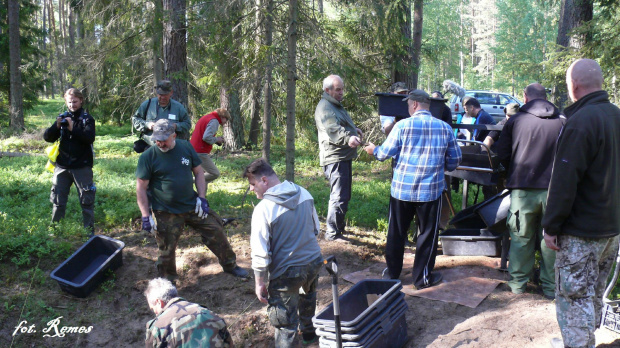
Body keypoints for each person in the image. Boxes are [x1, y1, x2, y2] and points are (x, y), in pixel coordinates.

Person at [542, 59, 620, 348]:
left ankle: (578, 343)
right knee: (592, 294)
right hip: (611, 230)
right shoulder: (616, 116)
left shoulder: (580, 122)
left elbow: (564, 181)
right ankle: (582, 340)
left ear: (574, 86)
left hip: (581, 234)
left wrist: (551, 226)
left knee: (575, 300)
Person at [364, 89, 462, 289]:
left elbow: (384, 154)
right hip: (431, 192)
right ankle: (422, 278)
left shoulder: (402, 126)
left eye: (408, 105)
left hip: (402, 191)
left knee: (396, 233)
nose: (408, 108)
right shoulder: (444, 128)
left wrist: (373, 150)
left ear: (415, 104)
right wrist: (442, 166)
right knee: (427, 235)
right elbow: (455, 160)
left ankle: (392, 274)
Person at [136, 119, 248, 281]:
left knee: (215, 229)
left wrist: (201, 199)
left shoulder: (185, 147)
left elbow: (199, 173)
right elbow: (141, 188)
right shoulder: (148, 157)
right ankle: (169, 281)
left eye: (164, 140)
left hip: (192, 204)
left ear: (173, 136)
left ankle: (230, 265)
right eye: (157, 140)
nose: (160, 143)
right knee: (167, 248)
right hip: (166, 211)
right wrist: (146, 216)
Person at [495, 83, 565, 300]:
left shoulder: (515, 121)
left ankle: (518, 284)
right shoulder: (562, 122)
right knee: (551, 239)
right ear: (546, 98)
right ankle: (551, 286)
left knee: (520, 237)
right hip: (554, 192)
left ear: (525, 98)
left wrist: (510, 173)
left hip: (522, 190)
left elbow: (502, 154)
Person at [244, 158, 323, 347]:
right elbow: (316, 229)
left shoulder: (263, 209)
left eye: (253, 184)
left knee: (284, 322)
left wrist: (260, 283)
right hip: (313, 262)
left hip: (287, 274)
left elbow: (260, 253)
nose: (252, 189)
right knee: (308, 298)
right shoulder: (304, 193)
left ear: (264, 180)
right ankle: (309, 336)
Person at [314, 74, 363, 241]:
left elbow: (341, 124)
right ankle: (333, 234)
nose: (342, 92)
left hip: (342, 156)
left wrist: (353, 131)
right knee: (339, 196)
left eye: (342, 89)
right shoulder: (325, 107)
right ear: (327, 90)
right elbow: (333, 130)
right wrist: (349, 138)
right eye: (338, 89)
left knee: (344, 195)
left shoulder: (335, 105)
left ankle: (338, 229)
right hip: (334, 158)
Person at [43, 88, 96, 234]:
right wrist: (57, 125)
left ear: (81, 100)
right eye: (69, 102)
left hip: (82, 166)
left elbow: (89, 138)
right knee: (58, 201)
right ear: (66, 102)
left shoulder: (87, 119)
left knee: (87, 201)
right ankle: (55, 230)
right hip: (62, 166)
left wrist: (73, 128)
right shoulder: (63, 117)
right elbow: (47, 137)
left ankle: (89, 232)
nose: (72, 105)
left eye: (75, 101)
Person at [144, 278, 233, 347]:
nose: (155, 313)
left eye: (153, 309)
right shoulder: (210, 315)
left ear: (159, 302)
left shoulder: (157, 327)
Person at [132, 80, 192, 151]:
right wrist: (147, 125)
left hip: (171, 148)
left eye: (165, 94)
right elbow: (135, 119)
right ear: (157, 93)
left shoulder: (178, 107)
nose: (163, 97)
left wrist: (176, 126)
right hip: (150, 147)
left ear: (171, 93)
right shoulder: (148, 104)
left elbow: (187, 124)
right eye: (160, 94)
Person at [189, 108, 230, 191]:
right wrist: (217, 140)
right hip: (200, 152)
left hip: (193, 149)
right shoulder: (214, 121)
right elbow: (206, 137)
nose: (226, 122)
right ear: (222, 116)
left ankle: (202, 199)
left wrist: (215, 140)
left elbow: (203, 135)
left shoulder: (207, 117)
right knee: (214, 173)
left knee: (204, 176)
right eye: (226, 119)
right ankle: (188, 181)